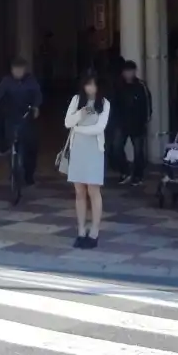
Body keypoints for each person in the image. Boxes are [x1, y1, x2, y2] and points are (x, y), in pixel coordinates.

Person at [64, 72, 109, 249]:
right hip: (78, 150)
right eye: (88, 84)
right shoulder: (77, 100)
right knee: (79, 191)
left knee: (93, 190)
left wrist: (79, 129)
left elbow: (100, 128)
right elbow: (68, 122)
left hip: (94, 151)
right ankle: (81, 230)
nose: (91, 88)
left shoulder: (104, 103)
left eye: (94, 85)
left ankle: (94, 231)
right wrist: (80, 115)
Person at [0, 57, 43, 198]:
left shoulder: (31, 81)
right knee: (11, 143)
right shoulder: (7, 81)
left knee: (30, 146)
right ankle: (13, 170)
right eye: (16, 69)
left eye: (21, 69)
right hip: (11, 116)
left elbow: (38, 95)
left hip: (26, 117)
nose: (18, 72)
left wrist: (36, 107)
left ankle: (29, 175)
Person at [110, 60, 151, 185]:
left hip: (137, 123)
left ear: (134, 72)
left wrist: (145, 120)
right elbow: (113, 104)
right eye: (126, 71)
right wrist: (114, 120)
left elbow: (148, 104)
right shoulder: (117, 86)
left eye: (131, 71)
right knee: (116, 147)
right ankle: (125, 171)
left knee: (138, 151)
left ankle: (138, 175)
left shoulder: (141, 86)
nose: (128, 74)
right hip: (121, 123)